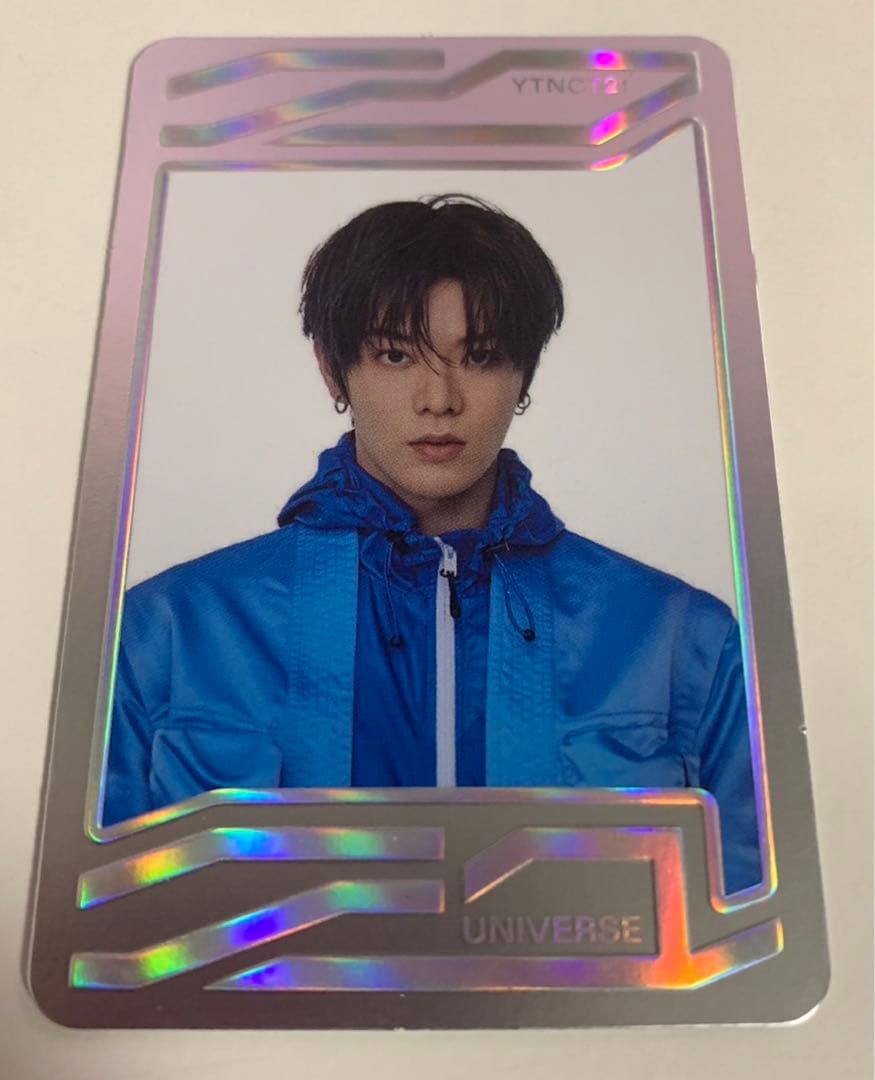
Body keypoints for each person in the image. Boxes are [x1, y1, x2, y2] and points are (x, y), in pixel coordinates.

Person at [105, 194, 761, 894]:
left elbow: (751, 915)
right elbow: (98, 918)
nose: (439, 399)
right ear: (332, 369)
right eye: (395, 355)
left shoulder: (676, 636)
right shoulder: (169, 631)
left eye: (480, 357)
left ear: (524, 374)